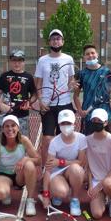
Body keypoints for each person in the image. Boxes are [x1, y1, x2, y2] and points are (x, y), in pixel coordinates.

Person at [0, 115, 41, 218]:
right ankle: (6, 191)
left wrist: (26, 159)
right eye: (7, 126)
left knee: (30, 165)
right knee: (0, 193)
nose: (10, 129)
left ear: (18, 127)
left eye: (13, 126)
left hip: (19, 175)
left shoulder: (24, 140)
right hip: (3, 175)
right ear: (3, 129)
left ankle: (30, 200)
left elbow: (38, 160)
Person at [34, 29, 76, 166]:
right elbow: (38, 83)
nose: (56, 41)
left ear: (62, 41)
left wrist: (72, 85)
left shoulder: (68, 59)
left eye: (58, 38)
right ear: (49, 42)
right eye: (53, 39)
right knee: (47, 138)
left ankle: (61, 167)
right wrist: (40, 101)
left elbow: (71, 80)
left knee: (64, 137)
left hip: (65, 104)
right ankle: (46, 169)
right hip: (47, 105)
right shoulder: (42, 60)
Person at [38, 109, 87, 216]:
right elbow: (48, 168)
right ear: (59, 124)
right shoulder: (54, 142)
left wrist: (60, 161)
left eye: (68, 123)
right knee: (62, 192)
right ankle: (56, 193)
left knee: (77, 169)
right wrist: (46, 195)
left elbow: (81, 163)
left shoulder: (81, 138)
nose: (66, 126)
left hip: (72, 170)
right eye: (63, 123)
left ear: (74, 123)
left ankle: (74, 199)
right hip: (57, 174)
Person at [86, 108, 111, 219]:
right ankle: (104, 198)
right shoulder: (87, 140)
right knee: (97, 214)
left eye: (99, 121)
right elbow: (88, 166)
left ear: (106, 122)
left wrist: (99, 185)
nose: (96, 123)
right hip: (96, 179)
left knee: (108, 184)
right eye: (94, 120)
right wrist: (90, 185)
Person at [0, 49, 37, 137]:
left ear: (23, 62)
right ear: (10, 62)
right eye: (14, 60)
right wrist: (2, 104)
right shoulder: (4, 76)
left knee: (23, 143)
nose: (16, 63)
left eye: (19, 61)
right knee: (3, 144)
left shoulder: (29, 77)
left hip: (22, 116)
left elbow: (34, 94)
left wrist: (29, 102)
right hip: (5, 116)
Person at [73, 44, 111, 135]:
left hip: (105, 114)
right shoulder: (81, 74)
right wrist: (80, 110)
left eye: (92, 53)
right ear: (84, 57)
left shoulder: (107, 72)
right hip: (88, 116)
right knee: (87, 145)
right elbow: (76, 96)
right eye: (87, 54)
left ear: (97, 54)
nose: (90, 55)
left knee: (110, 144)